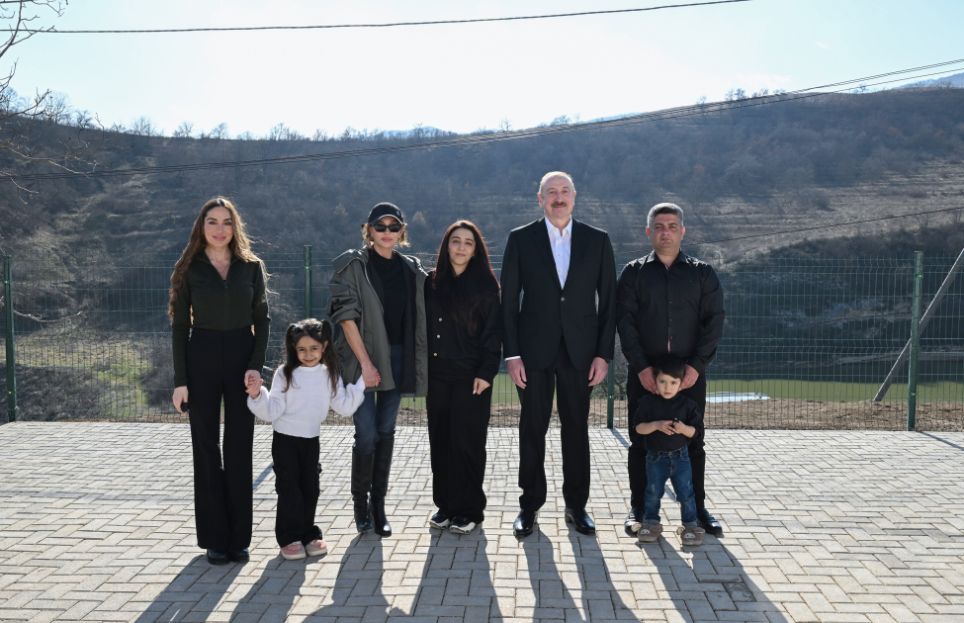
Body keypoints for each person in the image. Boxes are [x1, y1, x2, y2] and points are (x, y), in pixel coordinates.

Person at [501, 171, 617, 537]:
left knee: (576, 429)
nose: (558, 197)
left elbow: (609, 302)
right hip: (533, 352)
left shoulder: (598, 240)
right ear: (540, 199)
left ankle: (576, 506)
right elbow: (508, 302)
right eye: (551, 192)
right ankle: (529, 505)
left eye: (564, 191)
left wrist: (603, 355)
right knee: (532, 428)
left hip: (581, 352)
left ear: (574, 196)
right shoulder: (521, 239)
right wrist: (512, 354)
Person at [169, 196, 270, 565]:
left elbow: (263, 320)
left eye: (226, 221)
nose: (219, 228)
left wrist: (256, 366)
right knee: (207, 448)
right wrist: (181, 380)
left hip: (242, 359)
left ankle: (238, 538)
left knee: (240, 447)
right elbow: (180, 327)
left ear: (235, 226)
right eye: (212, 221)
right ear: (202, 226)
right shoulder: (189, 268)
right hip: (202, 358)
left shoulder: (251, 267)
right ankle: (215, 538)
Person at [615, 202, 725, 538]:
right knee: (640, 439)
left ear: (683, 231)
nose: (666, 232)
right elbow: (625, 323)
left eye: (672, 226)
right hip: (645, 375)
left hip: (689, 376)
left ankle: (698, 510)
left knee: (694, 441)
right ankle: (638, 509)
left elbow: (714, 322)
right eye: (659, 226)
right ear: (648, 231)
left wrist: (696, 367)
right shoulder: (633, 273)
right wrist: (641, 368)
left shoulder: (702, 274)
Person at [329, 202, 428, 538]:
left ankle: (378, 507)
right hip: (362, 360)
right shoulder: (353, 265)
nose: (387, 232)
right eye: (380, 226)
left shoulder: (411, 269)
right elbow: (346, 318)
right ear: (368, 230)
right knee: (367, 433)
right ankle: (360, 505)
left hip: (398, 359)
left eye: (393, 226)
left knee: (386, 431)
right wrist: (366, 365)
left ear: (402, 232)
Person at [245, 319, 365, 560]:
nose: (308, 354)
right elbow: (272, 411)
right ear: (293, 349)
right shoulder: (285, 374)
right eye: (301, 349)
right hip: (285, 441)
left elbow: (343, 406)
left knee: (310, 488)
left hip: (311, 440)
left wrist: (362, 383)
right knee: (289, 489)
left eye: (314, 348)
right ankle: (288, 538)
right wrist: (257, 395)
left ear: (324, 346)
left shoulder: (329, 374)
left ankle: (308, 534)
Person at [425, 220, 502, 535]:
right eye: (455, 241)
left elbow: (493, 333)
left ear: (475, 250)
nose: (460, 247)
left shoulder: (486, 286)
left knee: (467, 444)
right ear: (446, 246)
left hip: (472, 377)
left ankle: (470, 510)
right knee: (440, 441)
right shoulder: (431, 282)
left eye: (468, 243)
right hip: (437, 375)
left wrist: (486, 372)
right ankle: (445, 506)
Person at [631, 356, 705, 546]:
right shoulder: (648, 403)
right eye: (662, 381)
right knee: (652, 492)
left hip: (681, 458)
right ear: (655, 380)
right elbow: (638, 428)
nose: (667, 387)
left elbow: (696, 432)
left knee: (686, 493)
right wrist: (656, 425)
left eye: (673, 382)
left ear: (681, 383)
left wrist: (683, 429)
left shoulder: (688, 405)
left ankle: (690, 526)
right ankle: (651, 523)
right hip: (655, 458)